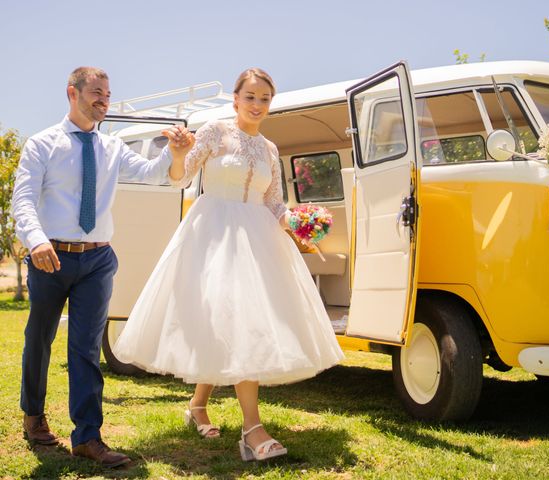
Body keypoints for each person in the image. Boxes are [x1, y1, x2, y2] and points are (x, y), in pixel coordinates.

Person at [113, 68, 344, 461]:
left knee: (236, 324)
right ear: (235, 98)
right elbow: (180, 179)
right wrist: (178, 153)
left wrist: (301, 224)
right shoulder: (215, 131)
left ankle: (197, 406)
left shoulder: (270, 149)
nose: (257, 105)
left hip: (259, 240)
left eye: (265, 99)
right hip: (214, 235)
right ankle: (252, 430)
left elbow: (273, 203)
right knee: (235, 322)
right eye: (250, 97)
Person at [11, 66, 194, 468]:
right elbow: (22, 199)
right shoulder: (43, 144)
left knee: (86, 348)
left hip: (97, 259)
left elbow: (150, 173)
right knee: (39, 340)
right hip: (50, 256)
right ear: (71, 93)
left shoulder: (111, 148)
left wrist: (174, 152)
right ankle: (33, 416)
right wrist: (37, 241)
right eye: (96, 92)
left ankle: (87, 437)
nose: (104, 100)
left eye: (108, 94)